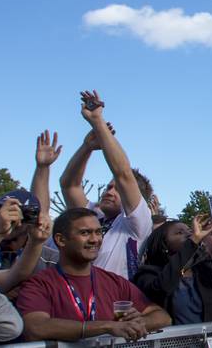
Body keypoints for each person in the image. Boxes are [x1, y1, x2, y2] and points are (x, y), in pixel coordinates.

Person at [16, 207, 170, 341]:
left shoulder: (114, 281)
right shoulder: (38, 284)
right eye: (85, 233)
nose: (95, 239)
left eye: (98, 232)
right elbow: (35, 328)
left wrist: (139, 322)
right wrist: (107, 326)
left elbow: (162, 316)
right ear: (61, 240)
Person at [57, 91, 153, 279]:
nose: (109, 190)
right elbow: (69, 185)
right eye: (109, 186)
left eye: (117, 188)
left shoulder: (137, 223)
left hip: (113, 304)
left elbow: (123, 174)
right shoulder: (93, 215)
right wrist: (87, 147)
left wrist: (97, 121)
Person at [132, 215, 212, 323]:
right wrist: (192, 241)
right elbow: (161, 288)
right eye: (179, 232)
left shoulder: (205, 270)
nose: (190, 234)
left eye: (190, 231)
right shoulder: (148, 274)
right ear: (163, 244)